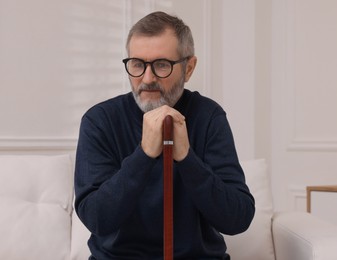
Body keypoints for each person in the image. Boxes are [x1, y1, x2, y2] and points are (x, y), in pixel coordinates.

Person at [74, 11, 255, 260]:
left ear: (189, 68)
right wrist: (144, 154)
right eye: (137, 64)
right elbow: (97, 218)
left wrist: (186, 157)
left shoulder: (209, 117)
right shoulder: (100, 121)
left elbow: (238, 219)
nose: (147, 79)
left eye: (161, 65)